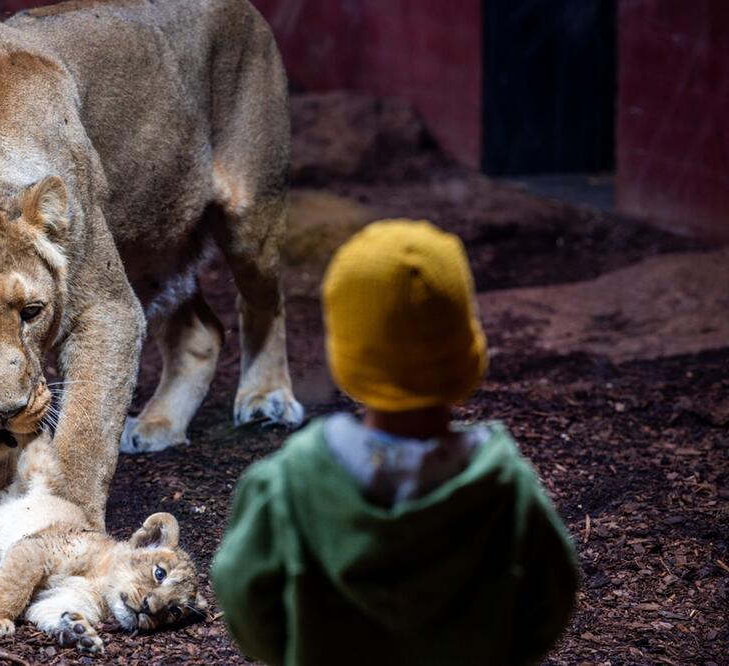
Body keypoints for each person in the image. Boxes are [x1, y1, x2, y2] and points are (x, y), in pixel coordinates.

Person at [211, 220, 578, 666]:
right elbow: (551, 599)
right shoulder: (505, 487)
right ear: (467, 352)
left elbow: (242, 595)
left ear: (346, 359)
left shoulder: (286, 486)